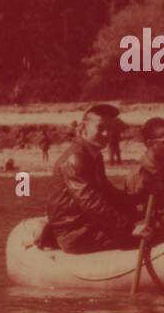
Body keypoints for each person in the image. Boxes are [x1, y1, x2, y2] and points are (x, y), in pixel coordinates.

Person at [40, 104, 148, 254]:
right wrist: (130, 228)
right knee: (152, 233)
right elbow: (90, 202)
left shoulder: (93, 155)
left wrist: (138, 198)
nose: (106, 133)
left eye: (110, 128)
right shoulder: (75, 158)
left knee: (146, 221)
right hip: (74, 234)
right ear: (84, 128)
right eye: (100, 127)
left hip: (85, 225)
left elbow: (107, 192)